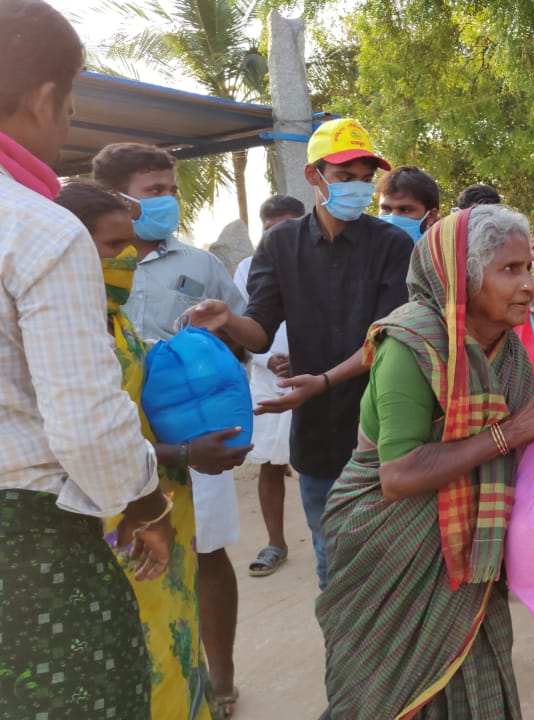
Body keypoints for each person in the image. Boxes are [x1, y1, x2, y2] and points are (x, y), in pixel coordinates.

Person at [316, 206, 534, 718]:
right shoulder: (412, 344)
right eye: (510, 270)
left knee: (476, 686)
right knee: (387, 696)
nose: (528, 285)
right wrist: (507, 434)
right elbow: (399, 475)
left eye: (528, 268)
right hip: (388, 541)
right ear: (462, 279)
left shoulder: (507, 352)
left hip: (468, 559)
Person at [0, 3, 165, 716]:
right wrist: (145, 505)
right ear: (44, 100)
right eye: (68, 106)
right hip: (29, 556)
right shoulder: (40, 228)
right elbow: (85, 423)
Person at [184, 118, 414, 592]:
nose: (358, 187)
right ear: (314, 177)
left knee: (393, 569)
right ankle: (349, 666)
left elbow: (389, 338)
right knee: (333, 570)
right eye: (345, 176)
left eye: (365, 177)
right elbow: (261, 333)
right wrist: (227, 317)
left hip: (387, 428)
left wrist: (324, 381)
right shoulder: (280, 244)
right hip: (320, 437)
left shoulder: (392, 243)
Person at [57, 181, 248, 720]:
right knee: (141, 656)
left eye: (131, 246)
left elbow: (134, 385)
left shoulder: (111, 317)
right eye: (110, 246)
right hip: (120, 519)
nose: (127, 260)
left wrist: (188, 334)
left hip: (161, 510)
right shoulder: (63, 331)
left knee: (173, 641)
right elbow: (86, 434)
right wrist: (182, 453)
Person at [234, 195, 306, 578]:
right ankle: (275, 542)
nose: (277, 236)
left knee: (326, 464)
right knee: (270, 464)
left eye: (286, 227)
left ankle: (337, 540)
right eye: (269, 230)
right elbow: (244, 326)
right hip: (266, 379)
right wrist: (266, 359)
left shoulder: (317, 260)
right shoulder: (247, 268)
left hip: (317, 376)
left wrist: (309, 359)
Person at [377, 165, 440, 239]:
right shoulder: (364, 247)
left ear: (430, 216)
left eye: (405, 210)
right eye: (386, 209)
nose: (392, 219)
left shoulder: (444, 250)